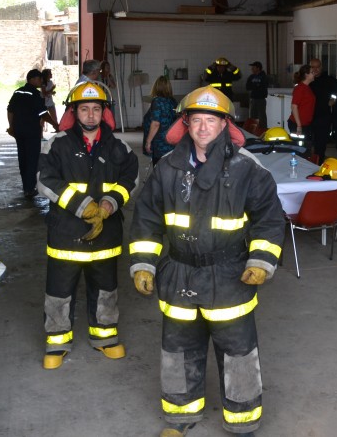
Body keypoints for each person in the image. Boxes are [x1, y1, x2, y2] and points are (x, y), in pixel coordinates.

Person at [129, 86, 285, 437]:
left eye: (210, 121)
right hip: (179, 274)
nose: (202, 128)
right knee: (178, 350)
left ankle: (243, 421)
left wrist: (260, 260)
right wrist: (142, 264)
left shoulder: (248, 169)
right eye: (196, 120)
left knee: (238, 352)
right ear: (185, 124)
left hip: (231, 276)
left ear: (224, 124)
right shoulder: (167, 169)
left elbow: (270, 220)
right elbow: (146, 220)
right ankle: (180, 417)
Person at [37, 80, 140, 369]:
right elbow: (45, 181)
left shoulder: (119, 146)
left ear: (104, 112)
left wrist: (109, 203)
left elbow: (130, 179)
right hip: (66, 233)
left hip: (106, 233)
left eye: (96, 109)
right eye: (85, 109)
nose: (91, 115)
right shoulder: (57, 144)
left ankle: (105, 338)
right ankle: (57, 341)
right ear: (74, 112)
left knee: (106, 288)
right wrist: (84, 207)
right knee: (59, 289)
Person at [7, 69, 51, 200]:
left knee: (23, 158)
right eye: (39, 79)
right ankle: (29, 188)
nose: (41, 81)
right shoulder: (35, 94)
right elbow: (43, 113)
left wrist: (11, 127)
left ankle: (26, 186)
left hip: (19, 130)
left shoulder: (18, 92)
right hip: (31, 131)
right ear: (31, 79)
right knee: (32, 159)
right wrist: (55, 124)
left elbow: (10, 110)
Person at [143, 76, 178, 165]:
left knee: (159, 171)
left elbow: (156, 123)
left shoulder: (157, 101)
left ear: (156, 87)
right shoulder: (173, 101)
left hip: (160, 144)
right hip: (171, 142)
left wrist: (148, 141)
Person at [308, 57, 337, 161]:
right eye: (312, 67)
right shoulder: (307, 80)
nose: (315, 69)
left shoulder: (329, 80)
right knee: (307, 144)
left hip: (323, 117)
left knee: (320, 144)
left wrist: (333, 99)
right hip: (308, 118)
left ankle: (319, 163)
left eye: (318, 67)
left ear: (321, 67)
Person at [288, 64, 316, 149]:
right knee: (299, 149)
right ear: (306, 75)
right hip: (298, 125)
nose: (314, 74)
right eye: (312, 72)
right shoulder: (300, 88)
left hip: (306, 125)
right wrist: (299, 126)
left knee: (305, 149)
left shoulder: (307, 88)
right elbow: (294, 107)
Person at [245, 61, 269, 126]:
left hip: (261, 99)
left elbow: (263, 86)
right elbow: (248, 87)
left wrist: (255, 86)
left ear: (258, 68)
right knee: (253, 115)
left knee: (261, 116)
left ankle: (262, 129)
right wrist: (256, 86)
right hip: (253, 99)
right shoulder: (251, 77)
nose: (252, 69)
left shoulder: (264, 76)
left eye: (253, 67)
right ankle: (253, 130)